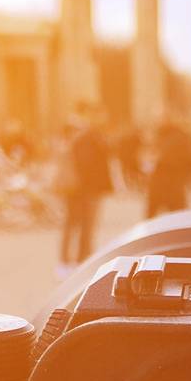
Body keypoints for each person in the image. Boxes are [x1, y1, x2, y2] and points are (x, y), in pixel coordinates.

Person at [60, 104, 113, 270]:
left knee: (83, 225)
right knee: (84, 225)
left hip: (87, 189)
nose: (104, 118)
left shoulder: (91, 136)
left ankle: (81, 259)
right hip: (86, 189)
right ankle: (80, 260)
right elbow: (87, 165)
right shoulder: (87, 137)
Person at [147, 114, 191, 218]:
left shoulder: (160, 136)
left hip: (159, 179)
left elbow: (152, 157)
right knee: (179, 216)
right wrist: (190, 176)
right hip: (176, 181)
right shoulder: (184, 137)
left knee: (152, 215)